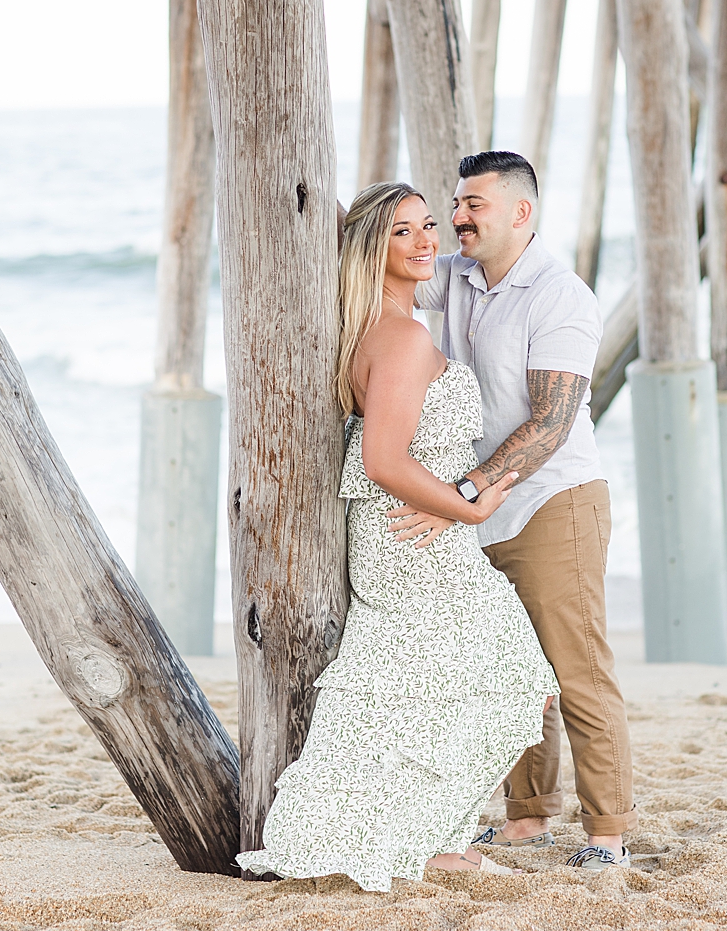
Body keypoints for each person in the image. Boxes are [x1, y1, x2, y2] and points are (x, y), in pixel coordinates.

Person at [234, 184, 558, 892]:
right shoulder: (404, 339)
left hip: (405, 535)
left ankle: (439, 837)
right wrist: (467, 507)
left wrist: (457, 501)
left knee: (437, 686)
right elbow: (383, 459)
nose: (423, 242)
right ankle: (427, 839)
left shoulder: (384, 331)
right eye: (401, 231)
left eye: (428, 226)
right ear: (370, 248)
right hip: (411, 540)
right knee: (508, 676)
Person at [389, 150, 635, 871]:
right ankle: (528, 818)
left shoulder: (561, 297)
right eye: (456, 205)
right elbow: (388, 268)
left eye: (474, 206)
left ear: (520, 213)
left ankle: (608, 837)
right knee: (511, 670)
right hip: (480, 507)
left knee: (575, 671)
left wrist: (457, 498)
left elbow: (551, 424)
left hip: (552, 501)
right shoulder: (459, 274)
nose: (457, 218)